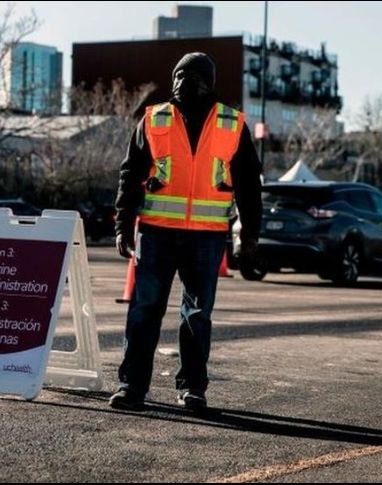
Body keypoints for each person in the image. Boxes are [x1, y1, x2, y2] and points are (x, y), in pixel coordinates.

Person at [111, 52, 262, 411]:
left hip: (206, 237)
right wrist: (122, 225)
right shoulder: (153, 119)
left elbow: (248, 185)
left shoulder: (231, 123)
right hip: (156, 232)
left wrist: (250, 234)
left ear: (210, 81)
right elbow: (130, 175)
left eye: (193, 75)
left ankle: (193, 388)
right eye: (179, 74)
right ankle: (132, 386)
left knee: (197, 316)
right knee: (145, 311)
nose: (184, 81)